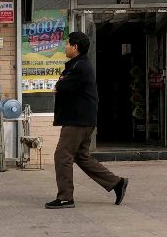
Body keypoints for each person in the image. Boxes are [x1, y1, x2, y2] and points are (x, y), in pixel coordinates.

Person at [46, 31, 127, 210]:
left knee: (62, 155)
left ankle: (66, 197)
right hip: (83, 119)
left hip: (77, 121)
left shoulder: (80, 66)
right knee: (81, 156)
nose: (65, 47)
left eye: (67, 44)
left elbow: (63, 86)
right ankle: (117, 183)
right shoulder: (78, 65)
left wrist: (59, 85)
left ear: (75, 47)